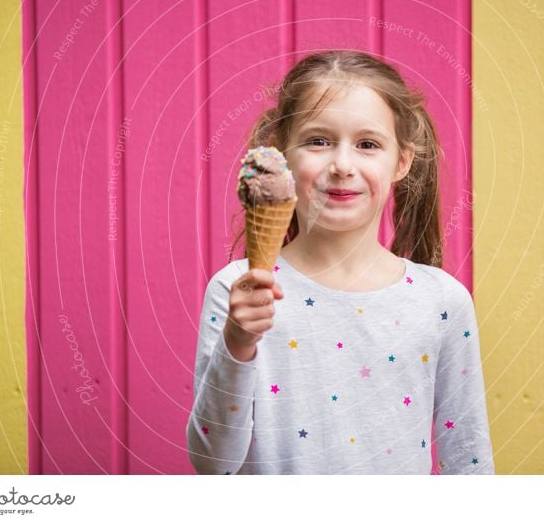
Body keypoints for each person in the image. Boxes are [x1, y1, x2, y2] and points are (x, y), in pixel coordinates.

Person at [186, 50, 494, 475]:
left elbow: (470, 461)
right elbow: (212, 464)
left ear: (401, 162)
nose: (342, 165)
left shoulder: (441, 301)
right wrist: (238, 346)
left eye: (367, 145)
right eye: (318, 141)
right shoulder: (238, 292)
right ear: (281, 155)